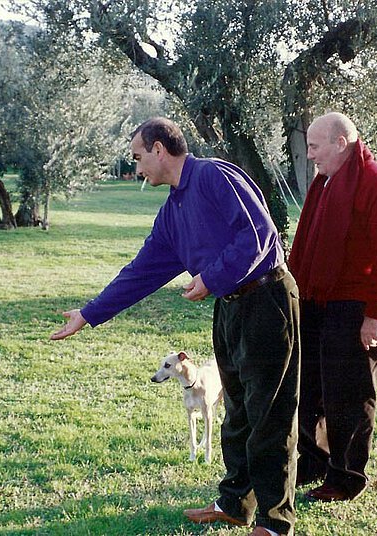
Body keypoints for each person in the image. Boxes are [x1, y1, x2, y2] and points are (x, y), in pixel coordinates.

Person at [50, 117, 300, 536]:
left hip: (267, 300)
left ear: (159, 149)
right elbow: (142, 270)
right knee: (237, 412)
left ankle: (275, 524)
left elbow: (259, 233)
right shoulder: (172, 211)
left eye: (137, 157)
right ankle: (235, 503)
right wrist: (90, 313)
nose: (136, 168)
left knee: (269, 415)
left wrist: (211, 277)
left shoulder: (214, 176)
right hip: (229, 307)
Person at [288, 112, 377, 502]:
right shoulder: (325, 182)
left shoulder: (376, 184)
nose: (310, 155)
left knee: (349, 396)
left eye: (315, 147)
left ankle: (346, 478)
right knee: (310, 389)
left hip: (352, 307)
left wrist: (374, 316)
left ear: (341, 143)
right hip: (315, 301)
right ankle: (314, 462)